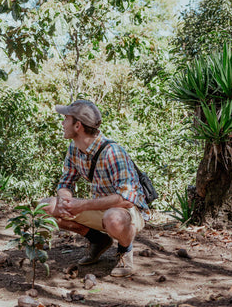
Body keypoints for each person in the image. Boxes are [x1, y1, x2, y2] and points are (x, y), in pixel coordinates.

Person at [41, 99, 150, 277]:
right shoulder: (74, 149)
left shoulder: (112, 152)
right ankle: (98, 240)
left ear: (77, 126)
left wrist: (82, 205)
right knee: (46, 206)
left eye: (65, 118)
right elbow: (65, 183)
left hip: (127, 211)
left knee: (113, 217)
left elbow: (127, 199)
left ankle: (125, 250)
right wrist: (63, 198)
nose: (62, 123)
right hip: (100, 209)